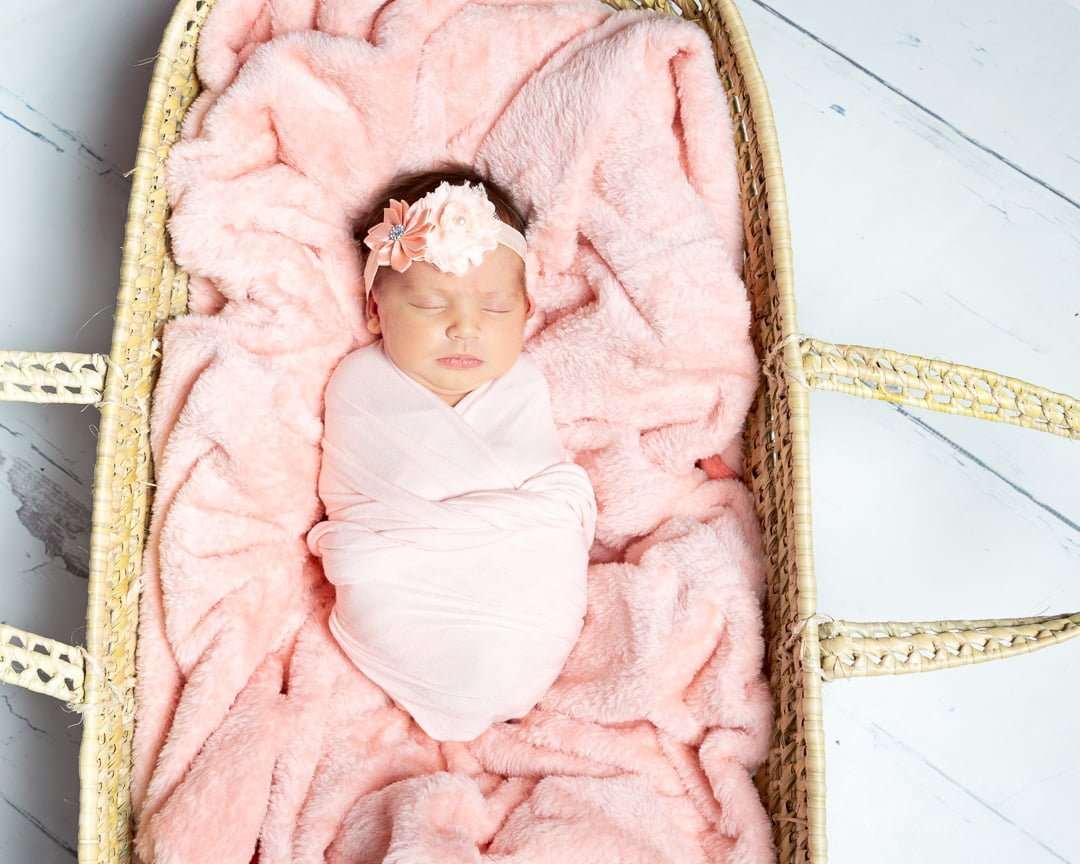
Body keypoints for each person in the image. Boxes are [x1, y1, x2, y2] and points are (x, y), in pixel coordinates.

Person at [305, 164, 597, 742]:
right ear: (374, 310)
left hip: (529, 589)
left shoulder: (525, 382)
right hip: (401, 590)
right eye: (433, 306)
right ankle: (452, 684)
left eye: (494, 309)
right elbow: (361, 496)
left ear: (526, 312)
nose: (465, 329)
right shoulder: (358, 386)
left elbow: (557, 501)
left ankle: (504, 681)